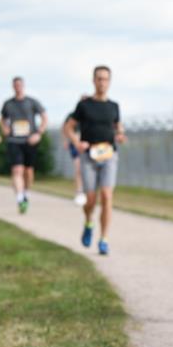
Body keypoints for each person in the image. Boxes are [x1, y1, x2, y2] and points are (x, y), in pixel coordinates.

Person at [63, 67, 125, 255]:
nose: (102, 82)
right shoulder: (84, 105)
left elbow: (118, 126)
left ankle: (104, 239)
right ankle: (89, 222)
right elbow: (68, 127)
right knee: (91, 199)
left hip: (109, 154)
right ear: (93, 80)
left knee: (106, 196)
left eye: (105, 79)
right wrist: (77, 142)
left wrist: (120, 135)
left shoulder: (114, 106)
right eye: (99, 79)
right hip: (89, 156)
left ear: (110, 82)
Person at [0, 76, 47, 213]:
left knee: (28, 172)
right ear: (13, 86)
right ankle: (20, 198)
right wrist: (5, 129)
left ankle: (25, 193)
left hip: (29, 141)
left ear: (23, 86)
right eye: (15, 85)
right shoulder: (8, 104)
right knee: (17, 170)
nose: (18, 87)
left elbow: (44, 117)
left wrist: (38, 133)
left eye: (20, 85)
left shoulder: (32, 102)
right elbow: (3, 119)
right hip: (14, 141)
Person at [64, 94, 91, 206]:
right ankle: (79, 191)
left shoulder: (91, 115)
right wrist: (67, 140)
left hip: (89, 145)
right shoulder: (73, 115)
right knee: (78, 167)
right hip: (75, 144)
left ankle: (89, 191)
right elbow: (65, 128)